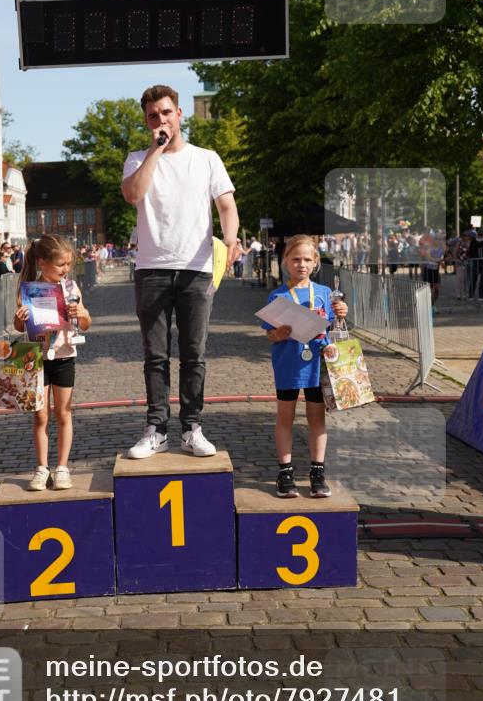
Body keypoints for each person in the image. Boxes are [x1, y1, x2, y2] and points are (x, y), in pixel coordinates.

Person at [121, 84, 239, 458]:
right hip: (152, 269)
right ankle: (156, 428)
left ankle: (192, 427)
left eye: (167, 113)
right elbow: (133, 195)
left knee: (194, 354)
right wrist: (156, 150)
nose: (161, 120)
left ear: (180, 114)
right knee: (155, 356)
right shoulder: (138, 158)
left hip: (196, 268)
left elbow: (226, 205)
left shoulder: (206, 158)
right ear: (147, 121)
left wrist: (231, 239)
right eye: (154, 115)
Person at [261, 234, 348, 500]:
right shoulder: (277, 295)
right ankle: (285, 472)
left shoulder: (324, 294)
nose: (301, 264)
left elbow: (335, 330)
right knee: (285, 417)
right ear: (285, 261)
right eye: (296, 259)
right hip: (288, 365)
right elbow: (269, 335)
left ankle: (317, 471)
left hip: (317, 367)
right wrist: (281, 333)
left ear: (316, 263)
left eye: (307, 259)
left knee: (316, 419)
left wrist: (341, 315)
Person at [13, 234, 91, 491]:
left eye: (68, 264)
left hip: (64, 355)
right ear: (43, 262)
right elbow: (18, 326)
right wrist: (19, 317)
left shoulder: (71, 287)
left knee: (63, 412)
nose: (65, 270)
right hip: (36, 357)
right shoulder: (28, 288)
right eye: (61, 265)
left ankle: (63, 467)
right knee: (40, 415)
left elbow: (87, 324)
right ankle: (41, 468)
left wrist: (81, 313)